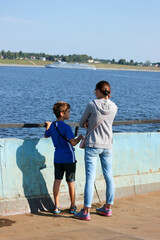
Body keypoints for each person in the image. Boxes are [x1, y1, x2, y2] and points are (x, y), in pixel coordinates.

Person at [74, 81, 118, 221]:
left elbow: (82, 123)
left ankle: (86, 211)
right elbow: (107, 123)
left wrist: (88, 123)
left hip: (93, 144)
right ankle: (107, 208)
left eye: (95, 90)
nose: (94, 93)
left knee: (90, 178)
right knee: (109, 176)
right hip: (107, 145)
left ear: (99, 91)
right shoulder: (114, 107)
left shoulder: (92, 104)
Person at [44, 101, 83, 214]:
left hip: (57, 158)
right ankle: (72, 206)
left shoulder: (53, 126)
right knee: (70, 181)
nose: (70, 114)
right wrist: (80, 137)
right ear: (62, 114)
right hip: (69, 158)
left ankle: (56, 206)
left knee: (57, 180)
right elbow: (73, 143)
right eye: (68, 112)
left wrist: (48, 126)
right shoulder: (66, 127)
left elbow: (46, 135)